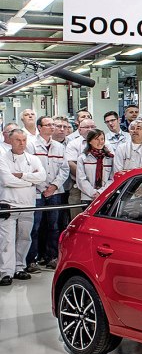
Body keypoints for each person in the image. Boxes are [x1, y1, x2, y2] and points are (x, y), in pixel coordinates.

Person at [0, 129, 46, 285]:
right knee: (7, 240)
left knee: (25, 238)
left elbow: (42, 177)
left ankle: (19, 267)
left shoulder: (33, 159)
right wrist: (30, 182)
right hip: (9, 204)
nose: (21, 143)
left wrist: (22, 176)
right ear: (10, 141)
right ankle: (5, 272)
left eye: (24, 140)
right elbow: (7, 180)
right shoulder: (3, 159)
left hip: (28, 204)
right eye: (18, 140)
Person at [26, 116, 69, 272]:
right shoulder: (31, 145)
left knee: (54, 226)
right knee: (35, 227)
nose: (52, 127)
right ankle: (32, 260)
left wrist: (53, 186)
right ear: (39, 127)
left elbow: (64, 169)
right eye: (48, 124)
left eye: (53, 124)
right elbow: (29, 169)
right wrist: (43, 187)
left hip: (55, 192)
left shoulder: (59, 147)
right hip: (37, 192)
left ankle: (51, 257)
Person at [76, 129, 115, 201]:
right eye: (97, 139)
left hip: (106, 196)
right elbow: (81, 179)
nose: (100, 142)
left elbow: (112, 179)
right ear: (90, 141)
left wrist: (100, 192)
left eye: (102, 139)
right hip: (88, 197)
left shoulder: (110, 158)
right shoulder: (83, 158)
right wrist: (93, 193)